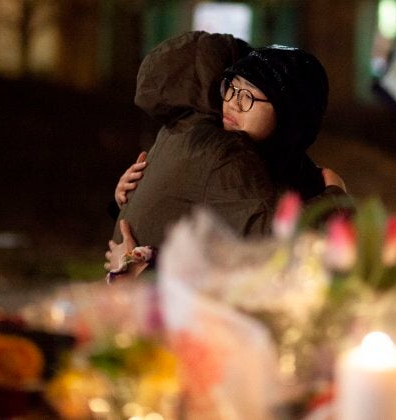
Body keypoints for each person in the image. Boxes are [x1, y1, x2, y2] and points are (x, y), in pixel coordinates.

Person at [104, 32, 345, 279]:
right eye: (230, 87)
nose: (231, 102)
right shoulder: (223, 149)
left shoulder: (183, 131)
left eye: (247, 96)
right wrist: (335, 201)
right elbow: (270, 241)